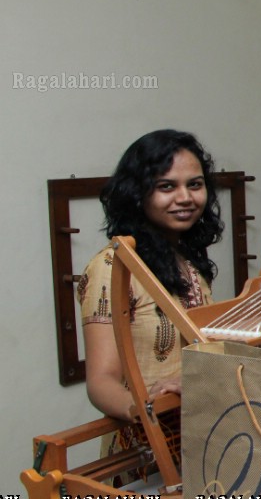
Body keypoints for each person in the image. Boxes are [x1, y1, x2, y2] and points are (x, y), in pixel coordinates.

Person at [79, 130, 221, 421]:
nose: (185, 198)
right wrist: (146, 409)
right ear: (137, 194)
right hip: (146, 447)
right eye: (166, 187)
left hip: (200, 433)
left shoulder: (188, 258)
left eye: (194, 185)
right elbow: (100, 382)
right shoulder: (112, 267)